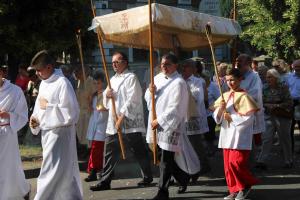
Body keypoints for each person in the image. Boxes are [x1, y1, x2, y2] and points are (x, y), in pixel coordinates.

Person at [90, 51, 153, 191]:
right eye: (112, 62)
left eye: (116, 62)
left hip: (129, 122)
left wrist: (122, 116)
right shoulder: (112, 79)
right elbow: (106, 103)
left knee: (138, 150)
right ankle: (105, 181)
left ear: (124, 62)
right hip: (114, 122)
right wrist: (107, 95)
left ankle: (147, 176)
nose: (113, 64)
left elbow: (134, 99)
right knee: (110, 151)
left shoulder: (131, 78)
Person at [29, 50, 83, 200]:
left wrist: (49, 106)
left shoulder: (62, 83)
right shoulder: (43, 84)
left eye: (39, 70)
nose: (38, 74)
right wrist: (35, 120)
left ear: (49, 67)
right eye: (36, 71)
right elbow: (39, 109)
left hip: (61, 135)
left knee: (50, 172)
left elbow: (72, 113)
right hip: (47, 135)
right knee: (62, 173)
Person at [145, 53, 199, 200]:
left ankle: (162, 192)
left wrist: (160, 120)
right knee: (160, 156)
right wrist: (151, 92)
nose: (164, 66)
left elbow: (176, 107)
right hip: (156, 122)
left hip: (170, 125)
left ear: (175, 65)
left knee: (166, 160)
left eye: (168, 64)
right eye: (162, 64)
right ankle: (183, 177)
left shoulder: (179, 83)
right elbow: (148, 99)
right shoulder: (156, 79)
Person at [211, 68, 260, 200]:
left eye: (232, 79)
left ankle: (245, 185)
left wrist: (232, 118)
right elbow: (216, 117)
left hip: (240, 135)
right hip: (227, 134)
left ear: (240, 79)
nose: (230, 82)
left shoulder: (245, 96)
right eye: (227, 80)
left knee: (236, 163)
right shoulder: (224, 95)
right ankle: (234, 189)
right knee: (227, 165)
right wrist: (220, 109)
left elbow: (249, 118)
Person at [0, 65, 30, 200]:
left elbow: (23, 114)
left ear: (1, 73)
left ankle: (20, 190)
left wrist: (8, 115)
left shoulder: (15, 91)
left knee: (9, 165)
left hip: (7, 132)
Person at [256, 69, 293, 169]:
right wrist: (267, 105)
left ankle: (288, 160)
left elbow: (289, 102)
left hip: (282, 116)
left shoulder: (283, 87)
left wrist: (277, 105)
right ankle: (261, 160)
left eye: (270, 77)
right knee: (267, 138)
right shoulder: (264, 88)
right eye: (267, 77)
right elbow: (261, 102)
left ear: (276, 78)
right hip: (269, 116)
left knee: (284, 139)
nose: (267, 79)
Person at [181, 59, 210, 182]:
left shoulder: (198, 81)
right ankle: (190, 169)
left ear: (193, 69)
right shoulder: (179, 81)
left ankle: (203, 165)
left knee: (196, 144)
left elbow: (198, 98)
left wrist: (184, 91)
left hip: (194, 117)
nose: (183, 69)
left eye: (186, 67)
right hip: (182, 118)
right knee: (185, 146)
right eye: (182, 67)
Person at [235, 54, 265, 144]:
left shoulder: (254, 77)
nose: (237, 63)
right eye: (237, 61)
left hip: (249, 112)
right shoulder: (236, 76)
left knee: (250, 141)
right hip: (237, 112)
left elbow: (255, 94)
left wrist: (238, 97)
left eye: (240, 61)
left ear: (248, 63)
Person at [85, 70, 108, 182]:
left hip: (102, 125)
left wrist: (98, 121)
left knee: (97, 149)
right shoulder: (94, 96)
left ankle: (94, 170)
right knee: (94, 149)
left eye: (98, 83)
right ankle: (94, 170)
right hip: (94, 123)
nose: (96, 85)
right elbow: (92, 110)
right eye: (94, 83)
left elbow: (104, 111)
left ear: (103, 83)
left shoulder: (105, 94)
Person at [74, 65, 96, 152]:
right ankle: (83, 149)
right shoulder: (79, 82)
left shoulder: (91, 81)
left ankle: (89, 150)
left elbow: (96, 95)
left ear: (83, 73)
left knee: (88, 133)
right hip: (80, 112)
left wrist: (92, 99)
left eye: (77, 72)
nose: (76, 75)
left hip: (88, 112)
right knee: (81, 133)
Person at [286, 59, 300, 153]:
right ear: (292, 66)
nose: (298, 69)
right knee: (289, 128)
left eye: (299, 67)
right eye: (296, 67)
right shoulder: (289, 77)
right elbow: (285, 90)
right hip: (290, 104)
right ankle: (289, 149)